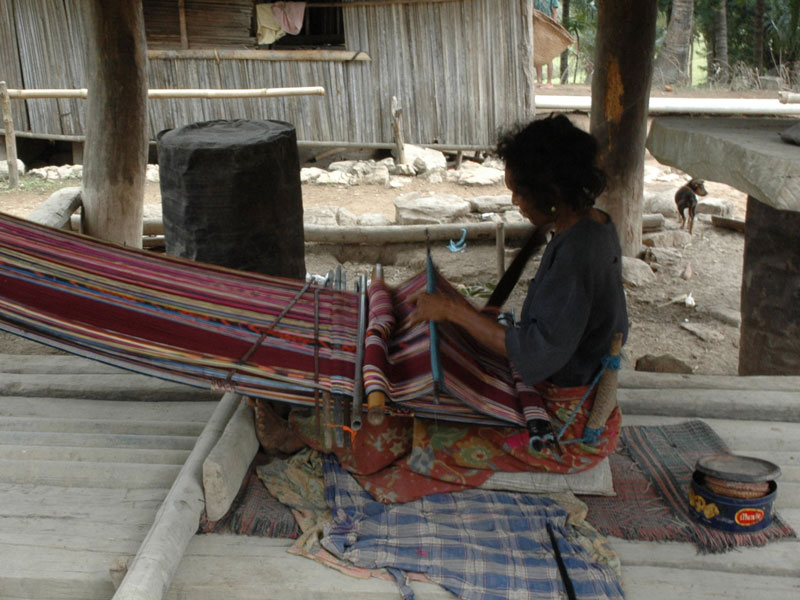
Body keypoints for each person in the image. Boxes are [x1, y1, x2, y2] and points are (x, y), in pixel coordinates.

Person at [410, 114, 628, 444]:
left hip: (566, 410)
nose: (515, 202)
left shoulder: (579, 253)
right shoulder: (589, 224)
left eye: (519, 193)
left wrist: (455, 311)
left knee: (433, 438)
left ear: (552, 192)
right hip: (570, 370)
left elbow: (536, 350)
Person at [534, 0, 560, 87]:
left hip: (548, 28)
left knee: (548, 55)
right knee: (538, 55)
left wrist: (553, 26)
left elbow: (554, 13)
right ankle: (539, 80)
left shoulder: (552, 1)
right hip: (537, 28)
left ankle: (549, 82)